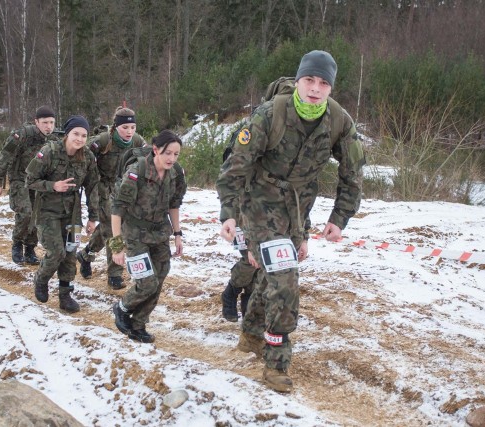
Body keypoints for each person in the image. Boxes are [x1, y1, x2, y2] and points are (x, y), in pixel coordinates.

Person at [216, 50, 365, 393]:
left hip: (298, 208)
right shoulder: (270, 114)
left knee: (271, 274)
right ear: (298, 81)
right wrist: (229, 212)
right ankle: (276, 363)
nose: (315, 88)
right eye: (309, 80)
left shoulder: (339, 122)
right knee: (284, 279)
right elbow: (235, 166)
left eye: (323, 82)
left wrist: (339, 217)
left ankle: (252, 335)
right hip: (258, 202)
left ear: (331, 88)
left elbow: (353, 173)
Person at [111, 130, 186, 343]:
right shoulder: (137, 173)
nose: (172, 158)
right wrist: (117, 247)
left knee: (160, 275)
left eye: (176, 154)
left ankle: (138, 323)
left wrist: (178, 234)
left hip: (159, 233)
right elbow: (117, 211)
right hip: (134, 235)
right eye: (167, 153)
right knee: (147, 282)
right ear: (155, 150)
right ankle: (122, 308)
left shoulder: (175, 173)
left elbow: (174, 204)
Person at [25, 115, 99, 313]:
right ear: (67, 134)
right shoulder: (49, 151)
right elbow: (30, 180)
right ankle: (41, 278)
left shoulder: (88, 157)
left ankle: (65, 294)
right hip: (47, 210)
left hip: (72, 213)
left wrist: (93, 217)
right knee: (56, 252)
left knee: (70, 253)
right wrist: (52, 185)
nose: (80, 139)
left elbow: (93, 187)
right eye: (76, 134)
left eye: (84, 135)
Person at [76, 107, 147, 290]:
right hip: (102, 187)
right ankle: (114, 274)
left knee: (108, 227)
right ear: (116, 127)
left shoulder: (138, 141)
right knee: (113, 229)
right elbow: (81, 155)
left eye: (132, 127)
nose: (129, 132)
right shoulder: (103, 140)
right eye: (125, 127)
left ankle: (86, 254)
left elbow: (149, 160)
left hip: (123, 189)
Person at [0, 106, 59, 265]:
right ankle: (17, 244)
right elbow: (4, 156)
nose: (48, 126)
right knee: (26, 213)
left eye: (51, 122)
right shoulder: (22, 135)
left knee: (37, 215)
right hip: (19, 179)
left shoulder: (54, 140)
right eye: (44, 122)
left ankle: (30, 248)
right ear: (36, 122)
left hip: (39, 183)